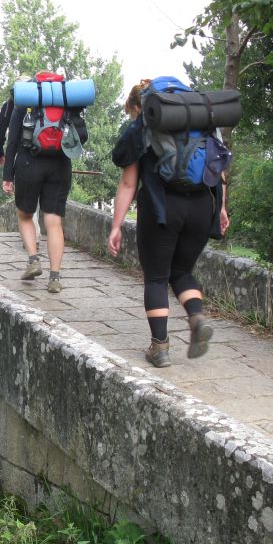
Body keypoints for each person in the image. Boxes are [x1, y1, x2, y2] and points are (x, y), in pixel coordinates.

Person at [107, 80, 230, 367]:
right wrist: (221, 208)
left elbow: (128, 182)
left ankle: (160, 347)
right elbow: (218, 168)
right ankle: (196, 316)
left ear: (140, 107)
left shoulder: (143, 127)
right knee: (182, 271)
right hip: (202, 207)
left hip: (162, 209)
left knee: (157, 277)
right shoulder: (201, 121)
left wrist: (116, 225)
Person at [3, 70, 85, 294]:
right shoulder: (67, 100)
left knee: (25, 215)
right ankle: (55, 277)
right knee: (53, 222)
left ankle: (33, 260)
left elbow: (12, 142)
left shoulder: (26, 100)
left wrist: (7, 175)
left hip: (29, 164)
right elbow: (82, 135)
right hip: (60, 166)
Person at [0, 75, 42, 247]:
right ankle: (36, 234)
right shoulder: (45, 100)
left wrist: (0, 155)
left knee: (28, 199)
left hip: (25, 157)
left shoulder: (11, 105)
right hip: (51, 157)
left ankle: (33, 237)